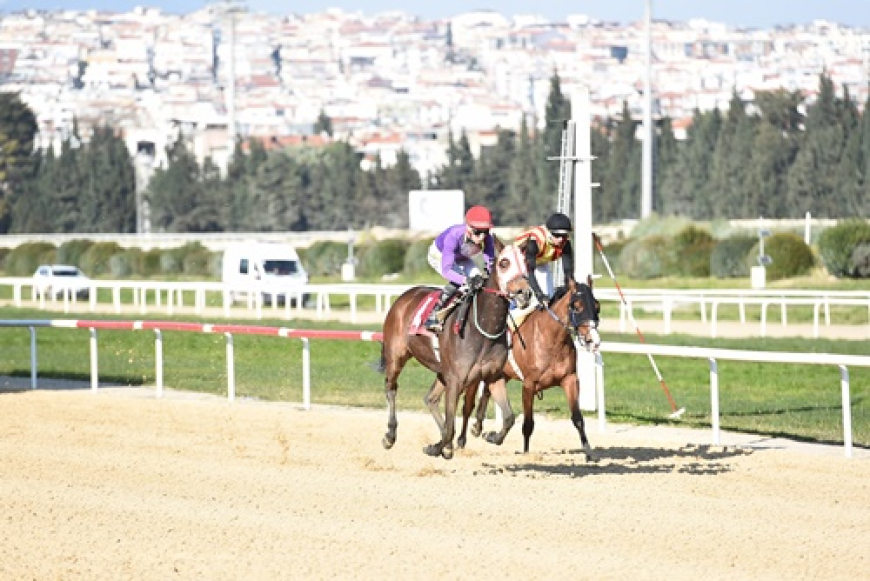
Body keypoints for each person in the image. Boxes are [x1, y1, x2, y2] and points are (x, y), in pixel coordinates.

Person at [424, 205, 497, 332]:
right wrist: (465, 280)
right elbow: (447, 271)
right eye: (477, 232)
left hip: (462, 257)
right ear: (468, 228)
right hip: (439, 256)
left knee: (479, 281)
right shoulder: (454, 235)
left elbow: (490, 263)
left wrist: (488, 274)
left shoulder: (487, 239)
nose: (481, 237)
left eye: (485, 232)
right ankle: (433, 314)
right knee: (460, 282)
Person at [514, 212, 575, 308]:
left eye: (563, 236)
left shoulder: (565, 243)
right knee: (524, 298)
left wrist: (572, 291)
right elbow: (530, 272)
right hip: (520, 262)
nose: (560, 239)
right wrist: (539, 295)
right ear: (549, 232)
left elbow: (568, 272)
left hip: (540, 261)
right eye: (557, 235)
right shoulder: (535, 241)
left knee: (549, 298)